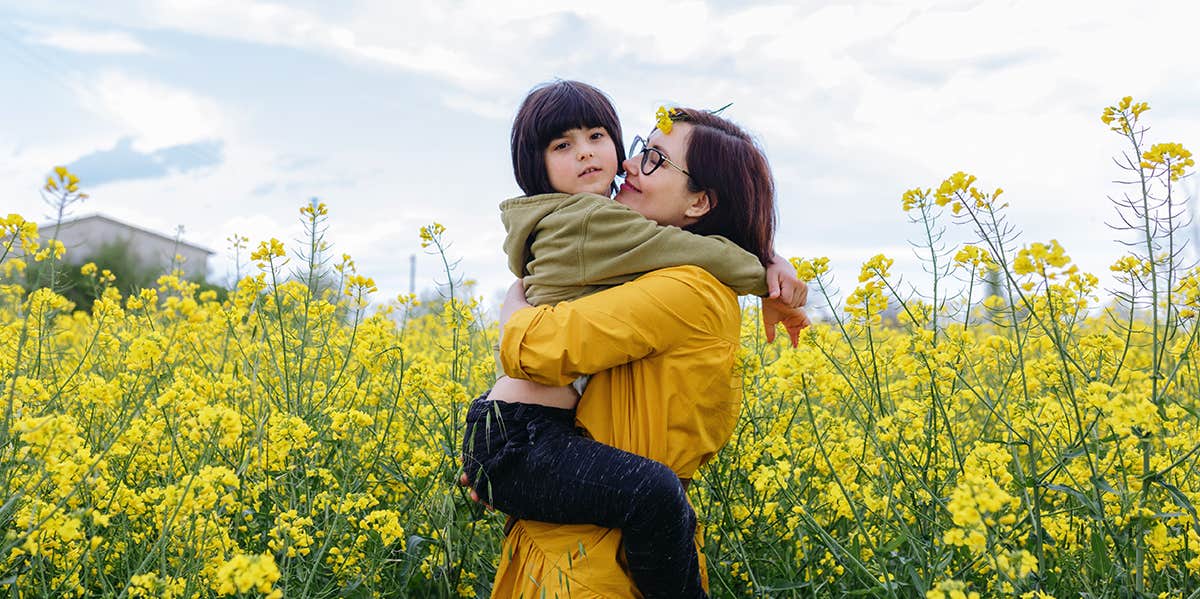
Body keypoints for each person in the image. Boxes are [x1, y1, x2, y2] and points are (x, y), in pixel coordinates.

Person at [463, 81, 809, 598]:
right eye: (641, 150)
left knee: (655, 494)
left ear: (699, 202)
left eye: (655, 159)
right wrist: (763, 267)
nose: (627, 165)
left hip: (589, 560)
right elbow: (539, 348)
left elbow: (532, 342)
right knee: (654, 495)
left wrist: (767, 260)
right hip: (558, 531)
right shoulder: (616, 244)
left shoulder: (683, 286)